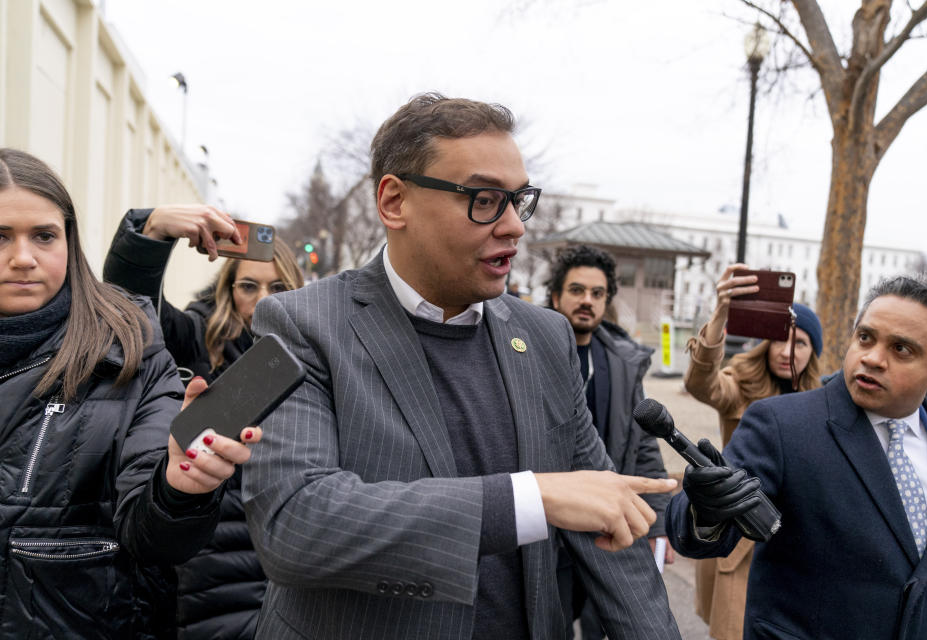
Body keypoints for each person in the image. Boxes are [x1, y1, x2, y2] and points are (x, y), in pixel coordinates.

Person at [242, 93, 681, 640]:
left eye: (518, 200)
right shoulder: (297, 324)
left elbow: (610, 529)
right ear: (394, 202)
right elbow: (296, 522)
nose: (514, 227)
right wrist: (530, 497)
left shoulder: (545, 337)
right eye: (484, 199)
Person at [0, 148, 260, 639]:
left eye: (44, 236)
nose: (23, 258)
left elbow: (153, 536)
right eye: (0, 236)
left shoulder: (128, 353)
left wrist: (180, 489)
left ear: (70, 242)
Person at [667, 274, 927, 640]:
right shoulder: (780, 423)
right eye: (865, 337)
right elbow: (694, 530)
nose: (872, 358)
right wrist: (705, 507)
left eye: (901, 349)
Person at [103, 205, 303, 639]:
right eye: (249, 286)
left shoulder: (317, 359)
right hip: (210, 582)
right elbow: (128, 307)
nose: (264, 299)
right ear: (229, 291)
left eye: (279, 287)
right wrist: (151, 233)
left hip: (295, 580)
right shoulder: (197, 342)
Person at [682, 264, 822, 640]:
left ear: (814, 352)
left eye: (801, 343)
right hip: (743, 537)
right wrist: (721, 313)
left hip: (800, 540)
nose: (787, 350)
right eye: (781, 339)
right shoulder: (741, 384)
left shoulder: (823, 404)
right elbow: (702, 384)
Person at [545, 244, 673, 639]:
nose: (587, 301)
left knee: (613, 626)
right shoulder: (528, 354)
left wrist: (659, 525)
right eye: (577, 290)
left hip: (610, 525)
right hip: (549, 528)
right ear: (556, 296)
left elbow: (644, 445)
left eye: (597, 294)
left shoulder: (622, 362)